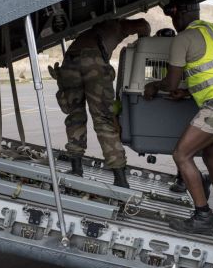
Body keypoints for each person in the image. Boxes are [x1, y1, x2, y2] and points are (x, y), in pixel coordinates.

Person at [144, 0, 213, 235]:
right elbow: (212, 70)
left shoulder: (183, 38)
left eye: (172, 16)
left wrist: (153, 85)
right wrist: (187, 91)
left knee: (182, 155)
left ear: (178, 15)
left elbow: (171, 80)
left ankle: (203, 215)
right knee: (212, 158)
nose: (173, 22)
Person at [51, 17, 150, 188]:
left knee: (75, 116)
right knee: (104, 120)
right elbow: (143, 25)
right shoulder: (117, 25)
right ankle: (120, 178)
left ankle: (76, 169)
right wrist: (144, 45)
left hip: (70, 63)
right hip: (93, 62)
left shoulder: (90, 32)